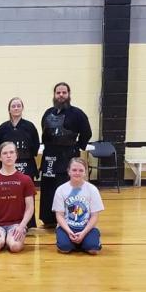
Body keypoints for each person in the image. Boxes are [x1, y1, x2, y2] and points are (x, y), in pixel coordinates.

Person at [40, 82, 92, 228]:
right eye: (58, 93)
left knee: (66, 188)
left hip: (67, 156)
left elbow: (87, 133)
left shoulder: (77, 113)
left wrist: (77, 147)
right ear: (54, 95)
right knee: (49, 187)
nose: (61, 95)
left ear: (69, 94)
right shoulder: (48, 112)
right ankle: (49, 219)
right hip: (50, 157)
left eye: (64, 92)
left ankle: (69, 218)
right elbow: (44, 132)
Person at [0, 97, 40, 227]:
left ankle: (27, 223)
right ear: (9, 109)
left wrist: (26, 156)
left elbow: (35, 145)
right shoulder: (3, 128)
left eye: (18, 105)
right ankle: (4, 220)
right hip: (7, 166)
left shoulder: (29, 126)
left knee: (27, 194)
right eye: (13, 106)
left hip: (27, 164)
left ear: (22, 108)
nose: (16, 108)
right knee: (6, 193)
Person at [0, 142, 36, 253]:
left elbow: (30, 207)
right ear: (0, 157)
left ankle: (8, 239)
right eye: (5, 153)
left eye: (11, 152)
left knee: (15, 247)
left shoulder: (25, 179)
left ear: (16, 155)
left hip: (16, 224)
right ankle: (3, 238)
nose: (9, 155)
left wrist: (22, 226)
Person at [53, 157, 104, 254]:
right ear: (68, 171)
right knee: (65, 249)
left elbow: (95, 216)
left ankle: (86, 242)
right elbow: (59, 215)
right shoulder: (61, 190)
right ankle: (72, 242)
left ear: (85, 172)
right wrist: (69, 231)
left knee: (93, 250)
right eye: (74, 170)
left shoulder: (92, 190)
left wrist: (84, 233)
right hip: (67, 227)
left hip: (86, 227)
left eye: (81, 170)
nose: (77, 173)